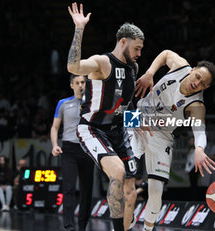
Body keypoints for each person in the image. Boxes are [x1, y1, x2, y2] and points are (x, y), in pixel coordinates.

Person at [66, 3, 145, 230]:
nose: (139, 53)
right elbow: (73, 66)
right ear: (123, 42)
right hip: (93, 128)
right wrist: (79, 29)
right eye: (137, 48)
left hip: (119, 130)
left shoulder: (133, 68)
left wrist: (136, 123)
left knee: (131, 192)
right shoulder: (102, 62)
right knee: (118, 173)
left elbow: (127, 104)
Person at [131, 50, 215, 231]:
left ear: (206, 88)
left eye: (203, 83)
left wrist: (199, 149)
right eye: (197, 76)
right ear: (193, 69)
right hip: (136, 117)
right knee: (122, 176)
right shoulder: (180, 66)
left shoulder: (196, 105)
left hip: (162, 136)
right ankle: (123, 221)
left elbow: (200, 132)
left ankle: (147, 229)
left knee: (156, 190)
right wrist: (149, 73)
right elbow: (165, 54)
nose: (197, 83)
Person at [50, 74, 94, 231]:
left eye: (83, 82)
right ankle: (68, 227)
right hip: (69, 149)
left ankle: (82, 227)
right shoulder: (63, 103)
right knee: (68, 188)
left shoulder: (92, 102)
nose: (81, 85)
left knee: (86, 190)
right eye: (77, 82)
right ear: (72, 85)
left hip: (88, 149)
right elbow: (55, 127)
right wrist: (55, 145)